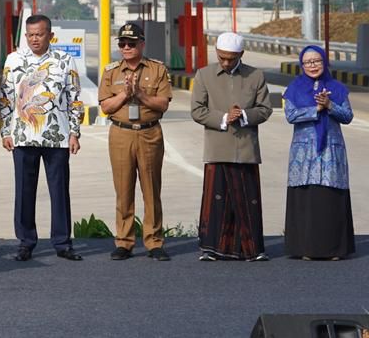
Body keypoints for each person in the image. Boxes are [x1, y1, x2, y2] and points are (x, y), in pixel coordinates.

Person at [0, 13, 84, 262]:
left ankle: (62, 241)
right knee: (24, 191)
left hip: (56, 137)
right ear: (25, 36)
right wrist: (5, 131)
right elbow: (5, 99)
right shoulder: (14, 60)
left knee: (59, 190)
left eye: (40, 34)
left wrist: (75, 132)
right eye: (30, 35)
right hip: (23, 137)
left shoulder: (64, 60)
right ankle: (26, 241)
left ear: (50, 35)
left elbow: (74, 99)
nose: (35, 39)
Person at [191, 31, 272, 261]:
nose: (226, 63)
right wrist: (225, 118)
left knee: (248, 201)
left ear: (241, 55)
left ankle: (252, 250)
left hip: (246, 149)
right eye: (222, 57)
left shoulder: (255, 76)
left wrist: (244, 114)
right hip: (218, 149)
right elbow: (197, 110)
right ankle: (211, 249)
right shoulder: (204, 75)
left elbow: (265, 109)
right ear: (216, 53)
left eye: (231, 58)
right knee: (216, 202)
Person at [98, 23, 173, 261]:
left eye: (131, 43)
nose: (126, 48)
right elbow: (105, 107)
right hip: (121, 134)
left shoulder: (157, 69)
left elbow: (162, 104)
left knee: (151, 189)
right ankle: (124, 241)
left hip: (150, 133)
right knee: (123, 189)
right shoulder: (111, 71)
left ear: (142, 44)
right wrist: (124, 94)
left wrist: (140, 95)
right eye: (122, 44)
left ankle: (154, 241)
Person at [283, 45, 355, 260]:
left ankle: (334, 249)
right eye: (308, 62)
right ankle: (305, 249)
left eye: (317, 61)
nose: (312, 65)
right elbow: (291, 116)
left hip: (331, 152)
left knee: (330, 198)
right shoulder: (294, 88)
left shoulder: (337, 88)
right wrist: (316, 109)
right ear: (301, 65)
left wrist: (330, 104)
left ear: (324, 62)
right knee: (307, 198)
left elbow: (347, 116)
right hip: (304, 154)